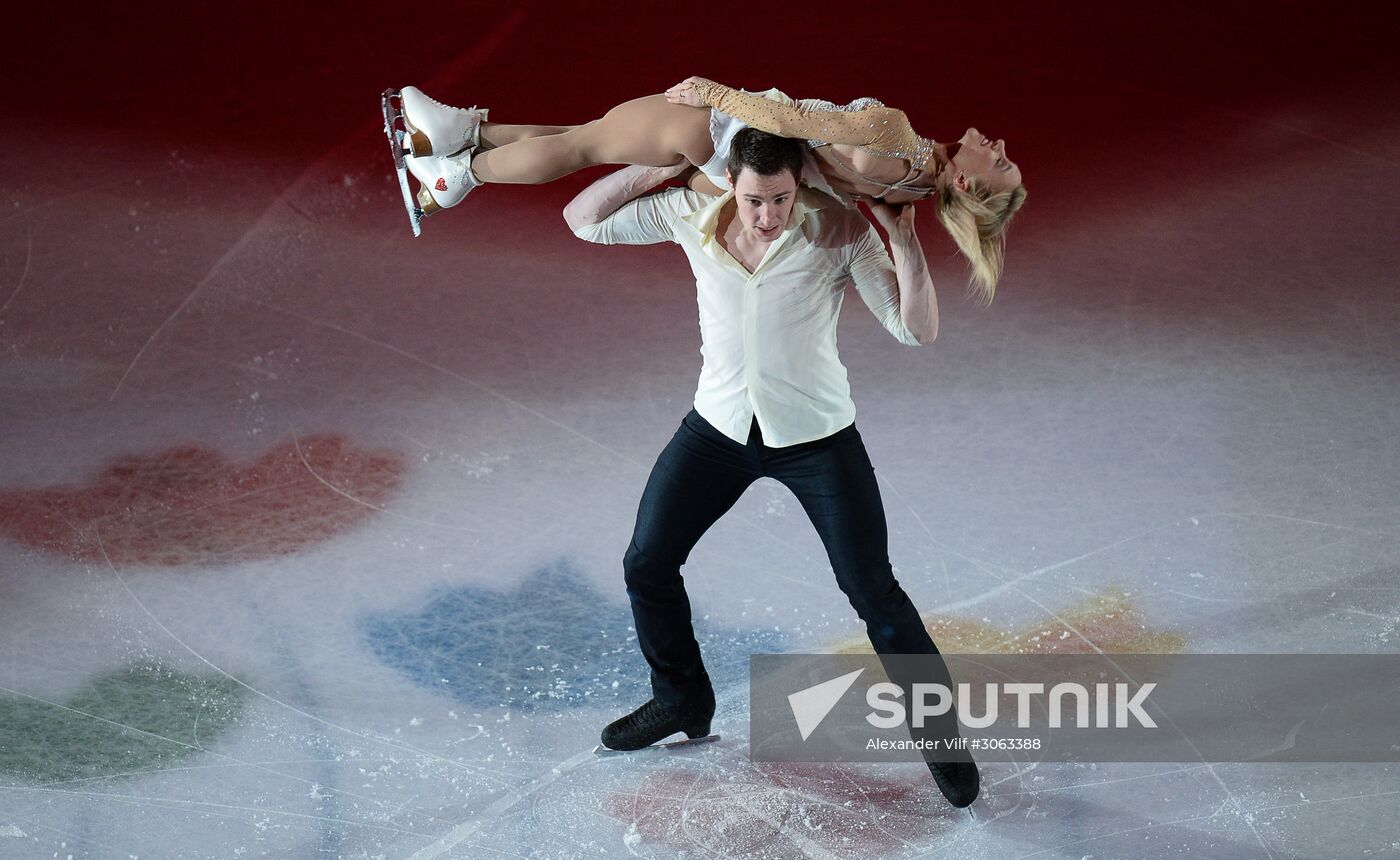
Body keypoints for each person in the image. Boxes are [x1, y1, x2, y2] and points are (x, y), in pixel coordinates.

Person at [561, 127, 979, 808]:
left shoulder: (839, 230)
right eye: (755, 199)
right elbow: (583, 221)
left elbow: (916, 329)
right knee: (647, 562)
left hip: (817, 438)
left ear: (800, 185)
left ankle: (941, 739)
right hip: (718, 431)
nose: (767, 215)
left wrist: (902, 237)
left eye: (781, 198)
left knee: (874, 593)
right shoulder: (690, 215)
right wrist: (655, 164)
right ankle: (680, 701)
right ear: (730, 181)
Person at [383, 77, 1026, 301]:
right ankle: (452, 132)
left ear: (966, 180)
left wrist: (715, 94)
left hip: (726, 131)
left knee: (586, 145)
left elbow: (797, 121)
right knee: (600, 132)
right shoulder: (910, 187)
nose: (999, 146)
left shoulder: (895, 134)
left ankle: (454, 177)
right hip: (738, 158)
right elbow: (826, 179)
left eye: (1000, 163)